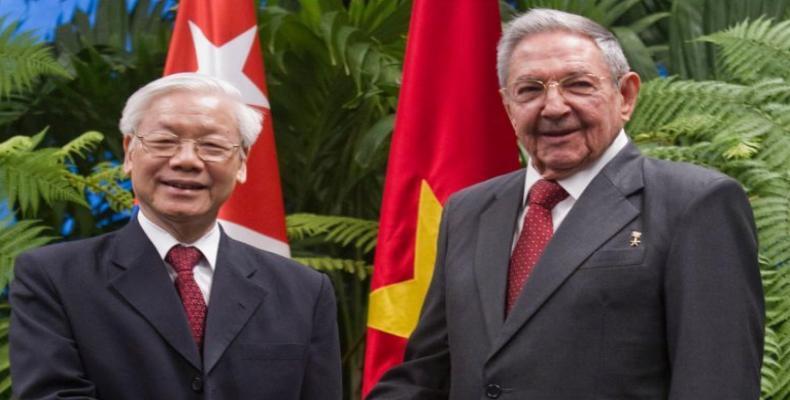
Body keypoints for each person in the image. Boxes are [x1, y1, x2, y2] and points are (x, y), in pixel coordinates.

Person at [368, 8, 763, 400]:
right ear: (508, 106)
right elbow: (426, 376)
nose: (553, 107)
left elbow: (716, 382)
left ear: (625, 96)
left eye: (577, 85)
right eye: (530, 90)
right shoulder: (468, 211)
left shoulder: (694, 204)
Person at [10, 73, 342, 399]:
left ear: (242, 162)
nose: (186, 160)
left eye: (212, 146)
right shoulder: (54, 279)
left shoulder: (305, 292)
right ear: (129, 152)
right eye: (164, 141)